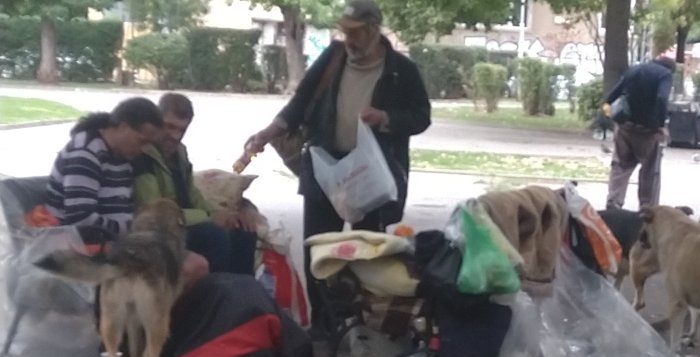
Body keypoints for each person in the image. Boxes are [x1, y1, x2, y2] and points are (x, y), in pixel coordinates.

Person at [244, 0, 431, 336]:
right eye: (346, 32)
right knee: (319, 248)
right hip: (326, 169)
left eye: (356, 33)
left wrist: (385, 118)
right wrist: (267, 133)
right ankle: (324, 326)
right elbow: (301, 102)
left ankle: (362, 323)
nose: (350, 40)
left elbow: (421, 117)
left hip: (373, 177)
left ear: (374, 30)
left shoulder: (401, 69)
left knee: (368, 252)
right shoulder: (333, 57)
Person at [46, 96, 208, 285]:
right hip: (85, 245)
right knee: (193, 267)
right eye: (142, 141)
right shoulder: (85, 153)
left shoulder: (122, 156)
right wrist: (132, 229)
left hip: (119, 240)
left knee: (197, 258)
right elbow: (81, 219)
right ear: (123, 127)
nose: (144, 149)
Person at [133, 93, 258, 275]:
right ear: (157, 121)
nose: (175, 136)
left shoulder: (180, 153)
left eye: (182, 130)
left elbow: (193, 195)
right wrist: (208, 217)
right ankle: (217, 290)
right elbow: (153, 211)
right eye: (170, 127)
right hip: (161, 229)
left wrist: (223, 214)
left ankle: (241, 289)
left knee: (243, 230)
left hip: (184, 221)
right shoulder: (143, 154)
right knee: (214, 235)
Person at [604, 55, 676, 210]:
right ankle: (646, 208)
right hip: (647, 131)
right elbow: (662, 98)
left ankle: (614, 201)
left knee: (621, 165)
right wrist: (660, 126)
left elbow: (611, 97)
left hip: (625, 127)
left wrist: (613, 117)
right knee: (649, 170)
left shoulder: (634, 70)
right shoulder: (665, 74)